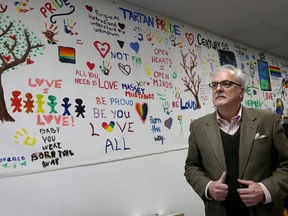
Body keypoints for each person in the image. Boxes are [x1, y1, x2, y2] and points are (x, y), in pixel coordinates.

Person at [184, 64, 288, 216]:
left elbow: (285, 165)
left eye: (226, 83)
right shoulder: (198, 127)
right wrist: (208, 186)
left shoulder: (268, 120)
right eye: (214, 85)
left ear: (241, 91)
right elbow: (191, 167)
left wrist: (265, 190)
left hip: (264, 211)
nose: (218, 88)